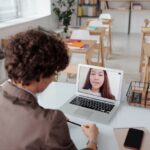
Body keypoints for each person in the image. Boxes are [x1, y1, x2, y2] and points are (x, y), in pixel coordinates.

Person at [0, 29, 99, 150]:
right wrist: (92, 141)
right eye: (54, 73)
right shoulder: (51, 122)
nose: (53, 80)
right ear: (40, 75)